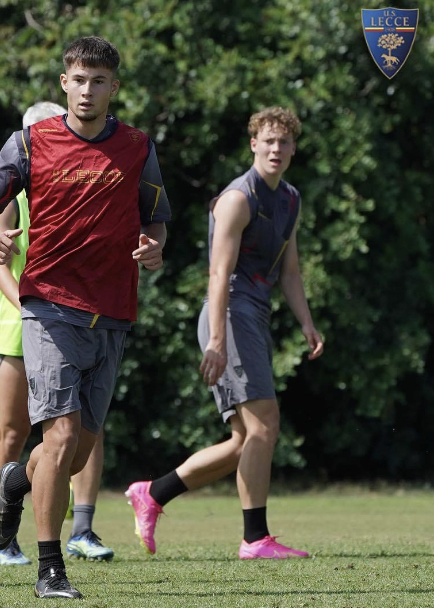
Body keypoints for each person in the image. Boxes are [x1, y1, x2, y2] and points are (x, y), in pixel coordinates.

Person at [0, 37, 171, 599]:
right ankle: (50, 570)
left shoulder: (137, 147)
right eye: (79, 80)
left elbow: (155, 218)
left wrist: (153, 246)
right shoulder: (29, 143)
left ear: (114, 87)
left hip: (113, 312)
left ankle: (15, 482)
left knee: (77, 452)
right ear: (64, 83)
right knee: (58, 438)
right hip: (48, 306)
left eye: (98, 81)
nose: (87, 90)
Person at [126, 106, 323, 560]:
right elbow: (218, 273)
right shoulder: (238, 198)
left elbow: (290, 271)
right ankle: (255, 539)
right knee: (265, 424)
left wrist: (307, 323)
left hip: (254, 316)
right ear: (253, 144)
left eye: (284, 142)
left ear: (293, 148)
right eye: (268, 140)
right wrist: (216, 339)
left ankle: (152, 493)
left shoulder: (290, 199)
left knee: (242, 441)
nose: (276, 149)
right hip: (230, 315)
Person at [0, 102, 114, 567]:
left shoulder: (83, 185)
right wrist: (26, 307)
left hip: (75, 320)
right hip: (21, 321)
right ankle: (6, 533)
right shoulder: (12, 195)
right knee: (14, 431)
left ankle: (81, 527)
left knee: (79, 431)